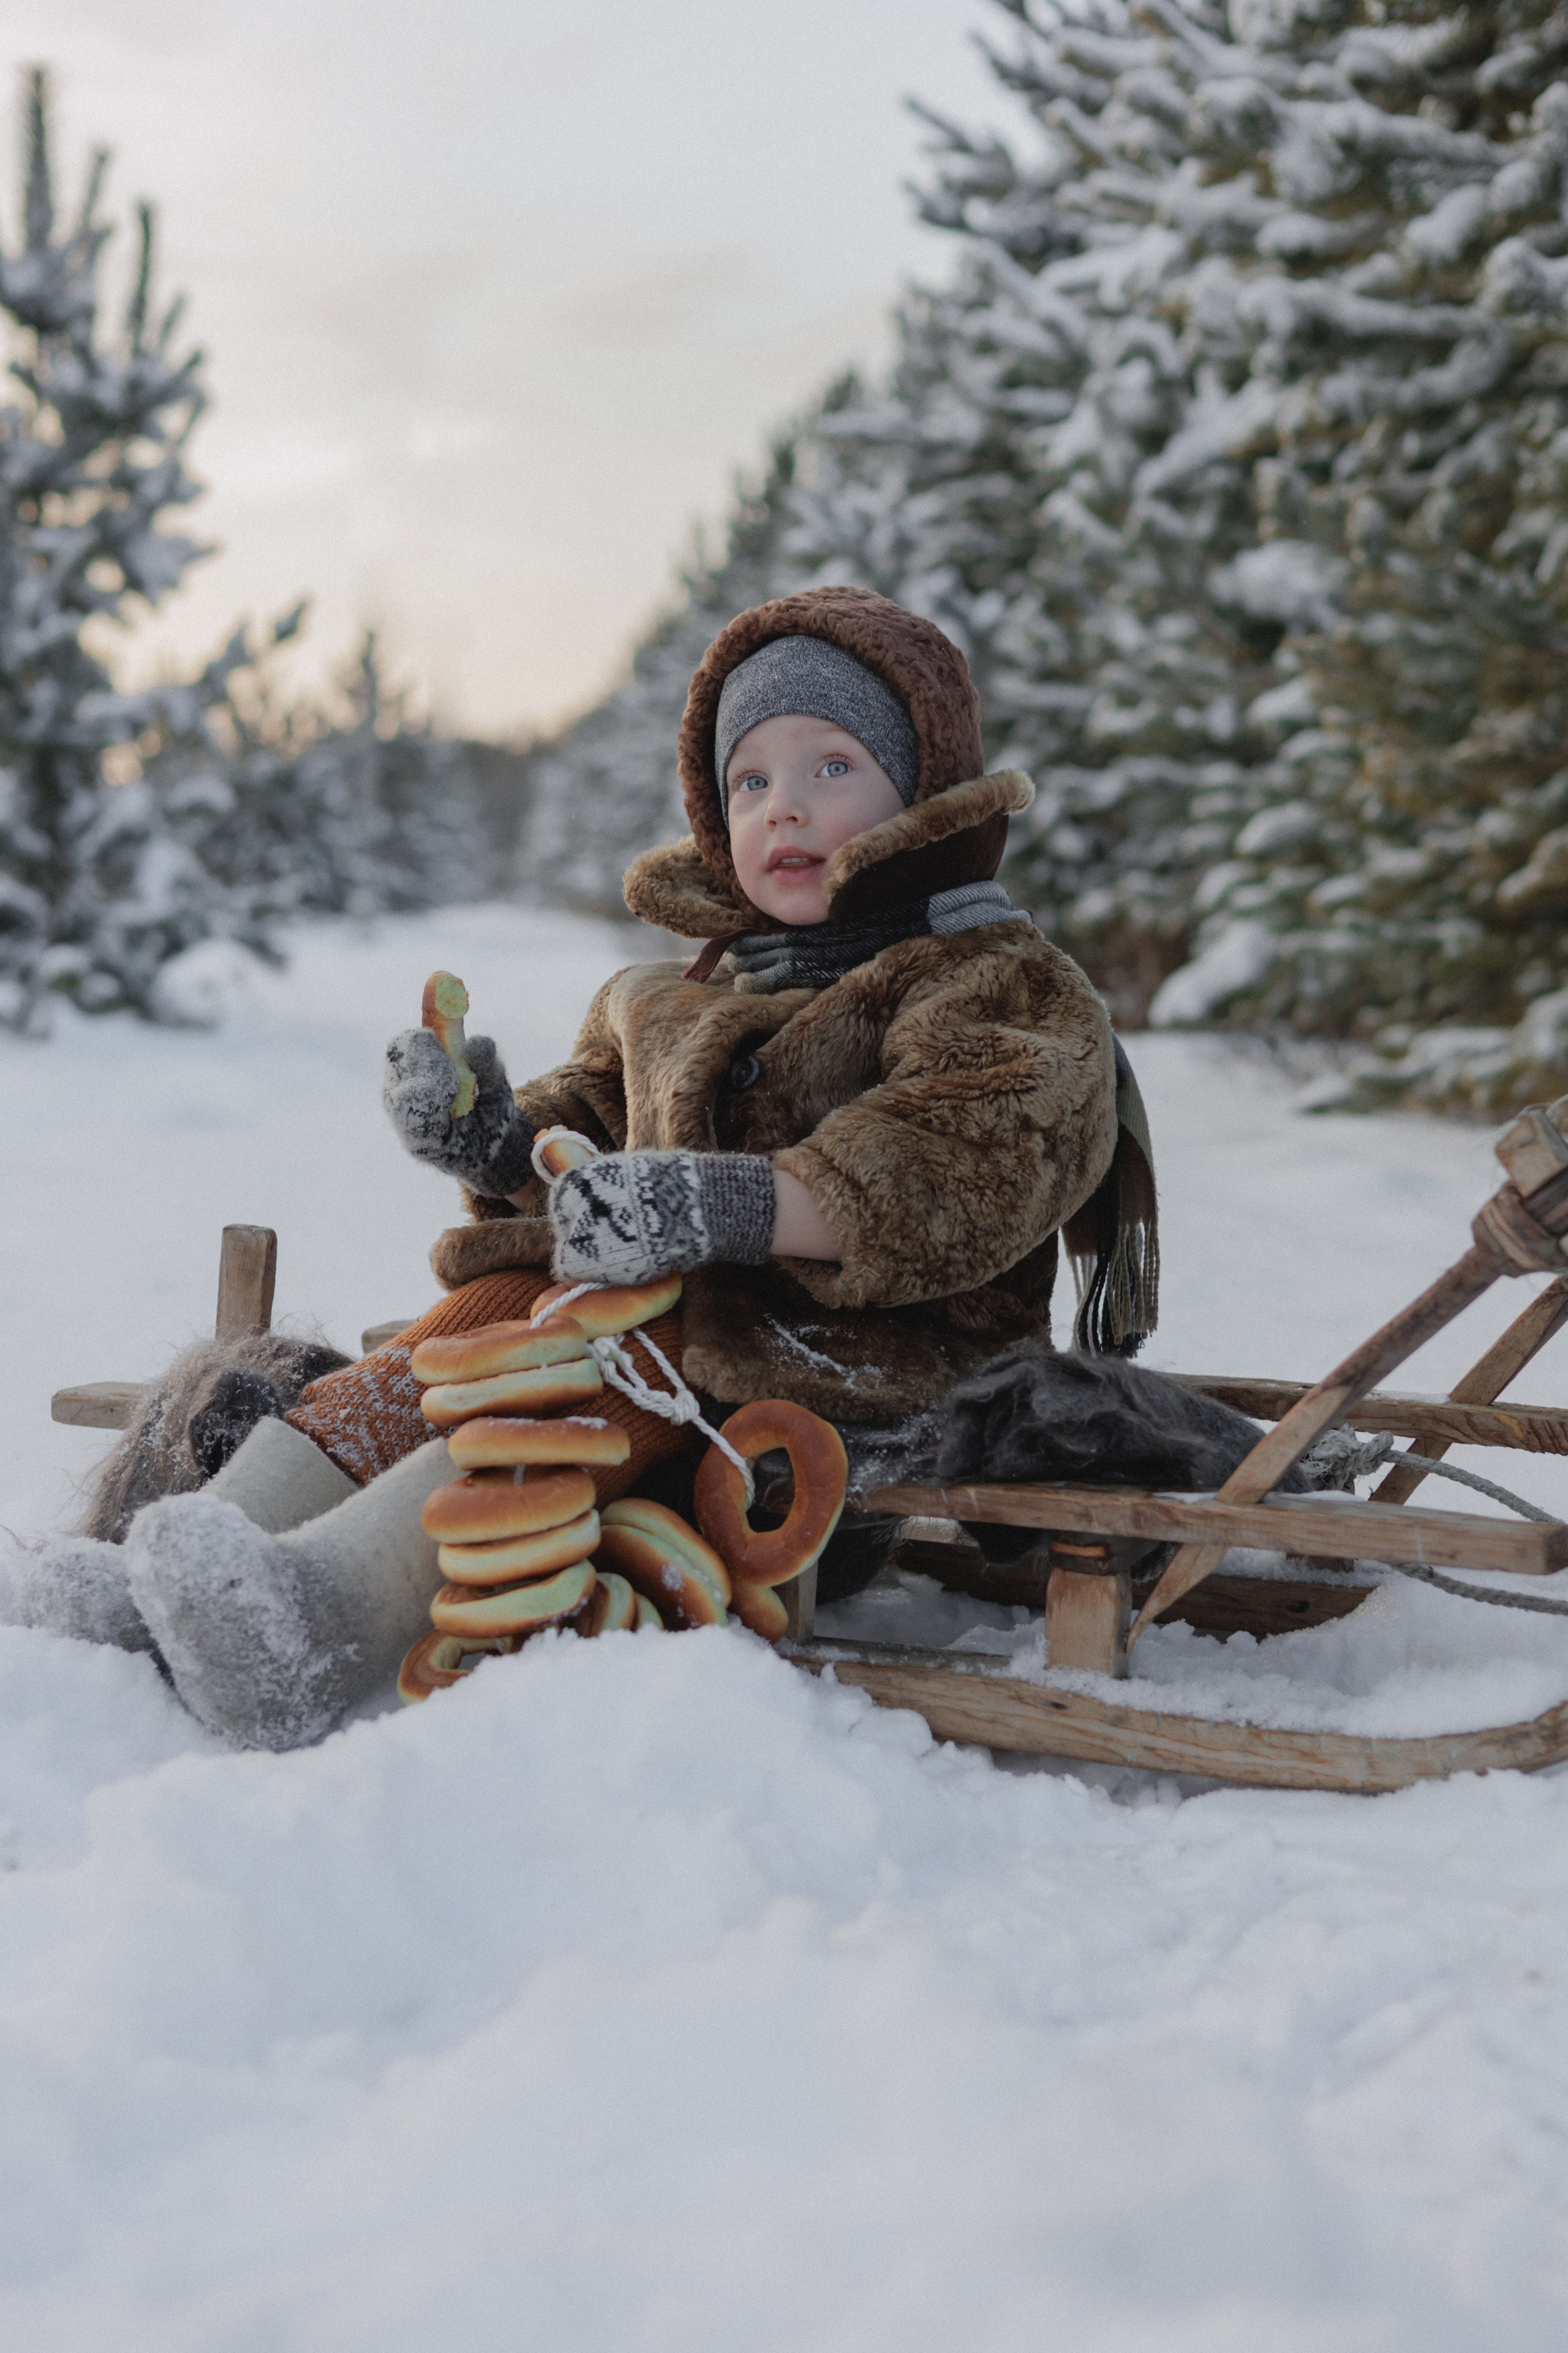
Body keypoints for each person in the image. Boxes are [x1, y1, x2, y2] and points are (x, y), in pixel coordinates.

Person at [14, 586, 1155, 1747]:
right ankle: (194, 1561)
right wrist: (494, 1138)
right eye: (750, 781)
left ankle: (322, 1614)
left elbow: (959, 1159)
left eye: (832, 766)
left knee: (568, 1366)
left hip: (845, 1405)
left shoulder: (996, 981)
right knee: (476, 1322)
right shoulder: (675, 995)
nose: (785, 808)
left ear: (921, 787)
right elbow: (584, 1156)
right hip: (670, 1346)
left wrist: (724, 1202)